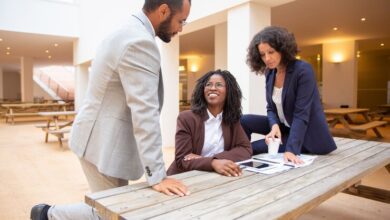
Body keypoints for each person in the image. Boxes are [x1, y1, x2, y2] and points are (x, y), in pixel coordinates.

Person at [30, 1, 191, 219]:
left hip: (102, 139)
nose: (181, 28)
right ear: (163, 10)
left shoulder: (128, 30)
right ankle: (48, 215)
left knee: (112, 209)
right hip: (101, 143)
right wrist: (158, 176)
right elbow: (145, 113)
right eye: (181, 20)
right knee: (111, 213)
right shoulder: (139, 41)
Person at [240, 26, 336, 164]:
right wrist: (274, 126)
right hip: (283, 127)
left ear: (282, 49)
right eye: (262, 54)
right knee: (244, 120)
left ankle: (240, 153)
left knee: (254, 148)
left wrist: (291, 150)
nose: (267, 58)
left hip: (305, 134)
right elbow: (271, 108)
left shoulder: (303, 70)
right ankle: (239, 149)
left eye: (271, 52)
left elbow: (301, 114)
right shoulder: (270, 73)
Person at [167, 70, 252, 176]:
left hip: (214, 177)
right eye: (208, 84)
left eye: (219, 85)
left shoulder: (231, 119)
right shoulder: (186, 118)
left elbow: (246, 150)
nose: (212, 88)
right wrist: (213, 163)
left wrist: (209, 159)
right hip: (184, 178)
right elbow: (182, 159)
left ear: (229, 91)